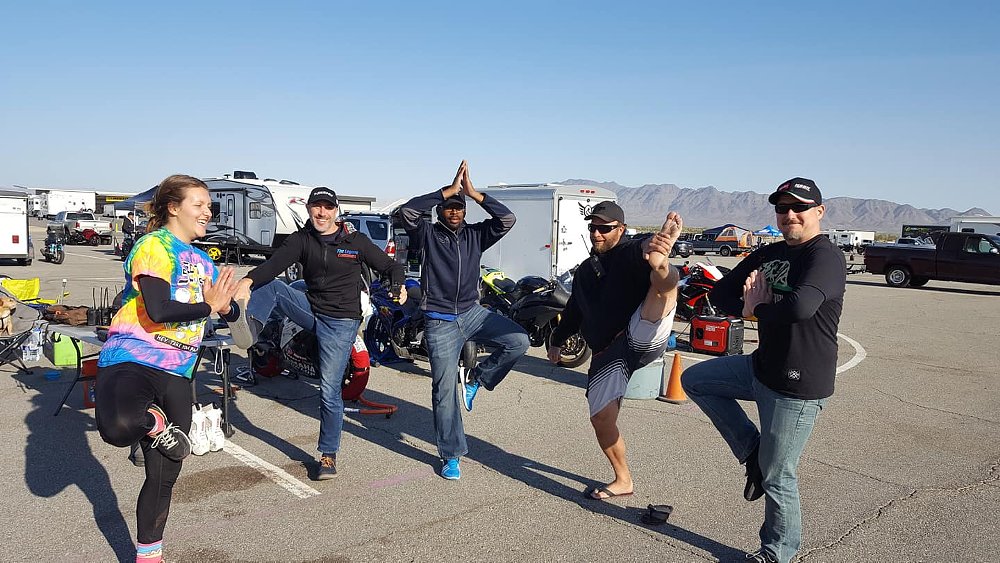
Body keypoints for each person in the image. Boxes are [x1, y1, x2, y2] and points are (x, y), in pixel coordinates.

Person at [681, 178, 846, 563]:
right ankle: (752, 451)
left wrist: (757, 308)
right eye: (781, 208)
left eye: (798, 208)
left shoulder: (824, 257)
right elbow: (720, 294)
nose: (789, 215)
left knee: (779, 476)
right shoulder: (769, 253)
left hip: (798, 381)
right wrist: (749, 305)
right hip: (762, 367)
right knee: (696, 380)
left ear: (818, 212)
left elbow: (800, 308)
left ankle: (777, 553)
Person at [95, 174, 249, 563]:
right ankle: (156, 424)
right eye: (199, 204)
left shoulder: (203, 260)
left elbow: (236, 325)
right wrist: (210, 306)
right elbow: (160, 309)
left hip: (179, 372)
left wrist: (232, 304)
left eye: (209, 206)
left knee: (163, 477)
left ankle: (149, 555)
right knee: (118, 426)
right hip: (134, 354)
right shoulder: (154, 246)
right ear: (172, 207)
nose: (207, 212)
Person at [234, 186, 405, 480]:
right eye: (317, 207)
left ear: (335, 210)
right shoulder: (302, 240)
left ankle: (328, 456)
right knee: (274, 287)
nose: (321, 213)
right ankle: (251, 332)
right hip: (312, 309)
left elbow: (390, 265)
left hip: (341, 322)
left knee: (329, 390)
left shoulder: (355, 241)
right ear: (310, 209)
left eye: (327, 207)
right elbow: (274, 265)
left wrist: (398, 284)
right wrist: (247, 281)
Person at [398, 161, 530, 480]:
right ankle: (451, 455)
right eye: (449, 207)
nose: (454, 211)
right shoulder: (427, 235)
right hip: (439, 321)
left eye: (459, 207)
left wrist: (474, 193)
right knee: (443, 392)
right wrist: (448, 190)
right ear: (442, 210)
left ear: (466, 211)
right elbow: (407, 212)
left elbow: (508, 218)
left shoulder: (476, 235)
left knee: (518, 341)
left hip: (472, 314)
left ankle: (476, 380)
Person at [547, 201, 683, 500]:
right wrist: (557, 338)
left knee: (661, 289)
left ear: (620, 230)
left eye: (605, 228)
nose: (597, 233)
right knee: (601, 419)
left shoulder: (627, 253)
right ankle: (623, 479)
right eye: (593, 227)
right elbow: (574, 310)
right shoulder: (585, 271)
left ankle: (663, 263)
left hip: (637, 334)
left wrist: (652, 248)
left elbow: (636, 249)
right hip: (608, 352)